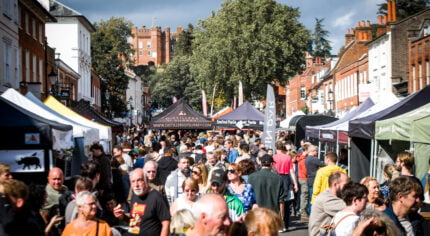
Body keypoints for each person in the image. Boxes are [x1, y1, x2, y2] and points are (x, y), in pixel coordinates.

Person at [114, 168, 170, 236]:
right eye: (133, 181)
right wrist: (122, 216)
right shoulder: (135, 195)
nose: (136, 185)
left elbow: (166, 223)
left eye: (139, 180)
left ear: (147, 180)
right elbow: (135, 221)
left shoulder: (157, 197)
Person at [248, 154, 285, 230]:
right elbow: (281, 201)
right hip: (272, 213)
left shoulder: (251, 177)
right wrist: (281, 217)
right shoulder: (278, 178)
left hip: (256, 213)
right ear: (271, 164)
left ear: (261, 163)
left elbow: (248, 197)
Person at [309, 171, 349, 236]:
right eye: (345, 185)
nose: (348, 188)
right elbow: (351, 209)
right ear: (335, 184)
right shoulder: (327, 198)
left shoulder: (333, 196)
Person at [272, 141, 298, 231]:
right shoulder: (288, 157)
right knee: (286, 202)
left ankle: (277, 223)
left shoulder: (273, 157)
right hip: (285, 179)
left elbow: (271, 170)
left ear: (276, 148)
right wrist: (295, 183)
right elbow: (292, 171)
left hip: (275, 178)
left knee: (276, 201)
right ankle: (285, 224)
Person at [305, 145, 324, 212]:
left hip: (309, 179)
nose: (317, 153)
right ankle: (311, 212)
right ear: (313, 151)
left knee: (310, 196)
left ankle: (309, 211)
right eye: (316, 151)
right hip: (314, 179)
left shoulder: (307, 158)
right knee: (314, 197)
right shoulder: (314, 159)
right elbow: (323, 165)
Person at [297, 143, 310, 219]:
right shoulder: (304, 159)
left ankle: (302, 211)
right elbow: (305, 171)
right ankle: (303, 213)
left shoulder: (301, 157)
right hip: (304, 178)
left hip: (301, 178)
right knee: (305, 196)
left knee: (303, 195)